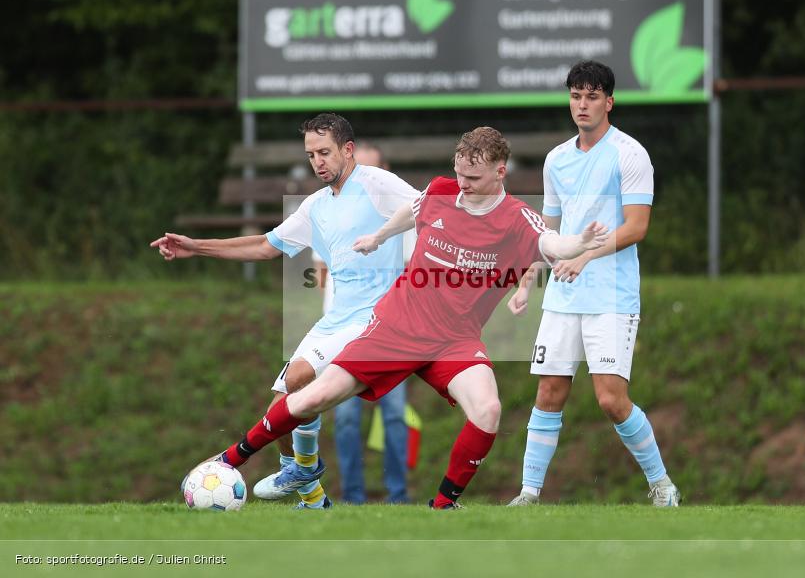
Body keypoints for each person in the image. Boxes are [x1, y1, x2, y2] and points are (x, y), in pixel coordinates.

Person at [208, 126, 610, 509]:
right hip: (396, 327)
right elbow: (411, 210)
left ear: (500, 171)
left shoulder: (518, 217)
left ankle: (443, 505)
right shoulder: (441, 190)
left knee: (488, 410)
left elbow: (552, 243)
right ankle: (229, 460)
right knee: (313, 396)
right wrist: (380, 237)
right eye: (459, 174)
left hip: (454, 341)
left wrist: (581, 242)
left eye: (472, 177)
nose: (462, 184)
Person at [151, 113, 419, 509]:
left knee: (300, 379)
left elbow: (429, 205)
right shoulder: (316, 206)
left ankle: (306, 470)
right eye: (311, 155)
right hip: (336, 319)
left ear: (348, 150)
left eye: (325, 152)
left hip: (376, 317)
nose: (317, 162)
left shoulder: (377, 183)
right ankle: (311, 494)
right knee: (280, 404)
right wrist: (197, 247)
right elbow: (265, 245)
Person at [505, 60, 680, 507]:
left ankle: (662, 485)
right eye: (576, 96)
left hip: (612, 295)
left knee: (610, 399)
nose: (582, 105)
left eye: (592, 96)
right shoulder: (557, 160)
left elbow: (637, 226)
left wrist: (585, 256)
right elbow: (549, 232)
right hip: (564, 294)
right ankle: (528, 494)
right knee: (549, 391)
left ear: (609, 102)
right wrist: (527, 280)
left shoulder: (630, 154)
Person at [314, 141, 411, 504]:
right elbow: (322, 273)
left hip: (389, 333)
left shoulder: (402, 221)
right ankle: (353, 498)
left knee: (396, 417)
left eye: (373, 173)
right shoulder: (329, 213)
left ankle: (399, 496)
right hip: (342, 335)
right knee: (346, 420)